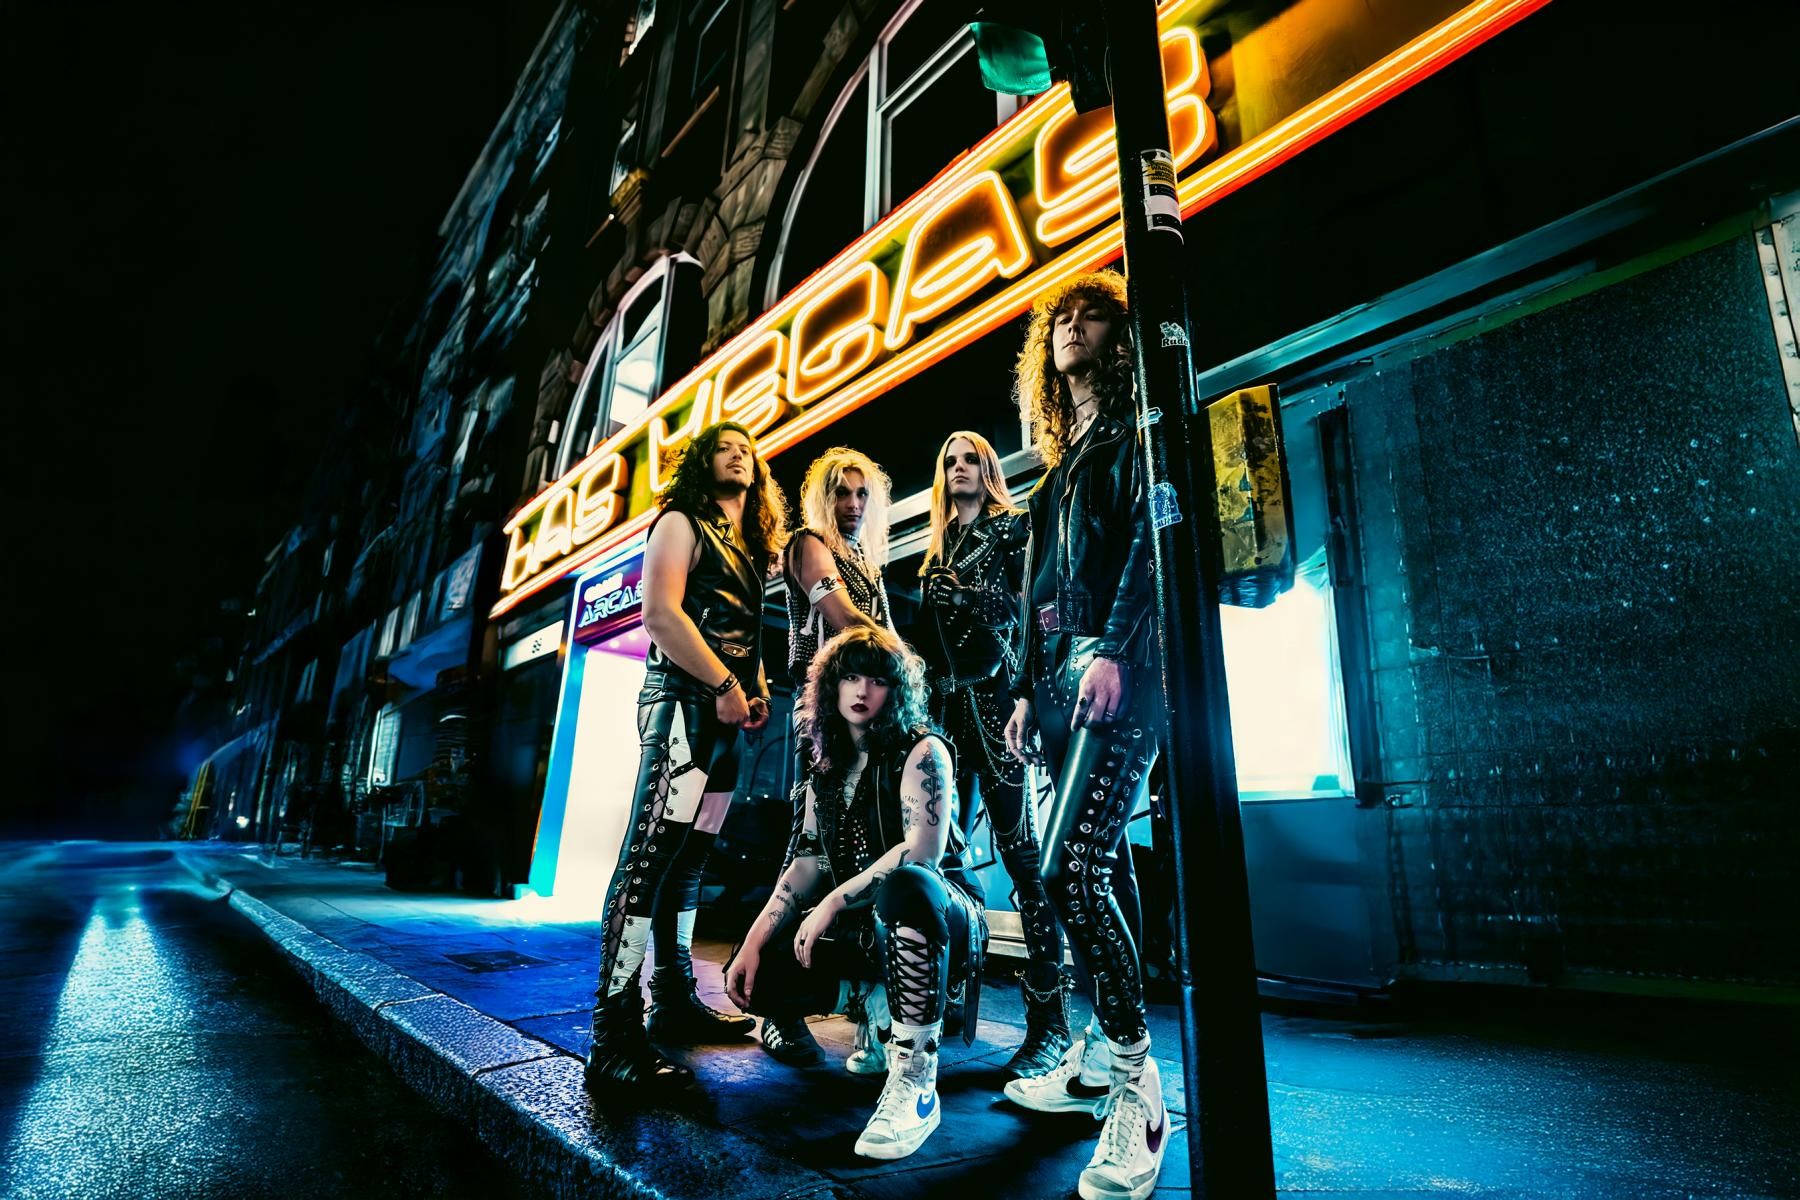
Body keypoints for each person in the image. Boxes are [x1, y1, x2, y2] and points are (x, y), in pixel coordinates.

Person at [1001, 271, 1168, 1200]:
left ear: (1121, 336)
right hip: (1061, 685)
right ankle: (1102, 1052)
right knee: (1102, 869)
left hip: (1119, 672)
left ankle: (1140, 1084)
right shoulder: (1061, 466)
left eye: (1092, 313)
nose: (1072, 325)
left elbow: (1147, 542)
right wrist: (1029, 692)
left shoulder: (1136, 431)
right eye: (1060, 317)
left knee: (1071, 867)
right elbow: (1039, 595)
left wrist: (1115, 648)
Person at [725, 627, 987, 1161]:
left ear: (897, 690)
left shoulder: (923, 749)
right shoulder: (826, 764)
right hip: (866, 924)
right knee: (755, 973)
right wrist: (752, 942)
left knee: (908, 885)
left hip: (940, 914)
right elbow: (804, 864)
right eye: (849, 677)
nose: (862, 690)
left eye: (877, 680)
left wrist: (834, 901)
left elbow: (921, 852)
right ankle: (871, 1001)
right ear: (831, 687)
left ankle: (915, 1078)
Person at [584, 421, 788, 1089]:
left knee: (688, 861)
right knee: (647, 860)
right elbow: (661, 615)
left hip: (721, 716)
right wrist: (726, 685)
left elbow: (741, 633)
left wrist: (754, 688)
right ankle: (613, 1035)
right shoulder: (681, 521)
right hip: (681, 704)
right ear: (703, 462)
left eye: (748, 449)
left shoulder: (746, 549)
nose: (739, 454)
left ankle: (673, 1001)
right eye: (725, 447)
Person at [914, 429, 1071, 1078]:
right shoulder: (938, 547)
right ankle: (948, 991)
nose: (959, 468)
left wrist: (967, 597)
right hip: (947, 716)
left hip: (998, 706)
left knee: (1022, 856)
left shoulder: (1011, 529)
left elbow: (1027, 610)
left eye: (970, 459)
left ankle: (1050, 1022)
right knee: (943, 854)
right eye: (949, 460)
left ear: (988, 469)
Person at [782, 447, 896, 676]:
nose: (853, 504)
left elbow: (887, 627)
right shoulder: (808, 543)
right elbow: (846, 617)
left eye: (862, 494)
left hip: (864, 681)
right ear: (824, 499)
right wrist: (903, 658)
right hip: (823, 687)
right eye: (842, 493)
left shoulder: (867, 564)